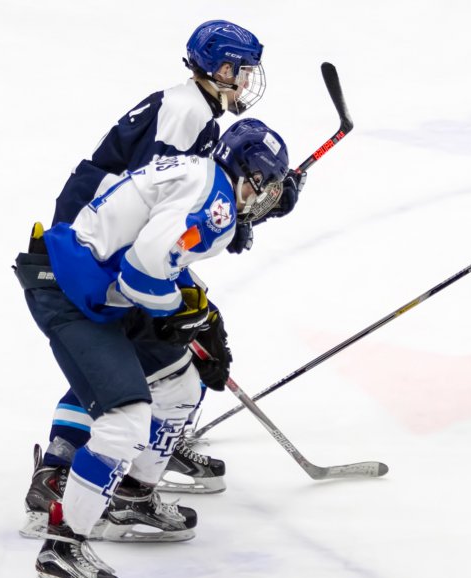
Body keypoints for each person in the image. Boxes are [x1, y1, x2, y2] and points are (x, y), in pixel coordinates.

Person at [20, 19, 305, 539]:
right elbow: (161, 206)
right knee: (136, 345)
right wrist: (238, 218)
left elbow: (189, 205)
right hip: (96, 248)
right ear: (219, 68)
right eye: (240, 71)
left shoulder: (195, 109)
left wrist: (261, 197)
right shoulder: (187, 112)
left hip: (108, 240)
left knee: (166, 339)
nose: (246, 82)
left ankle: (151, 442)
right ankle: (61, 471)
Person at [14, 118, 291, 578]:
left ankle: (131, 496)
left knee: (180, 384)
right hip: (70, 293)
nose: (263, 198)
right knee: (125, 422)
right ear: (248, 174)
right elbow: (141, 274)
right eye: (263, 185)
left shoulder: (203, 174)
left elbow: (157, 257)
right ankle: (63, 546)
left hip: (92, 284)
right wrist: (180, 315)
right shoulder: (216, 202)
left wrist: (197, 314)